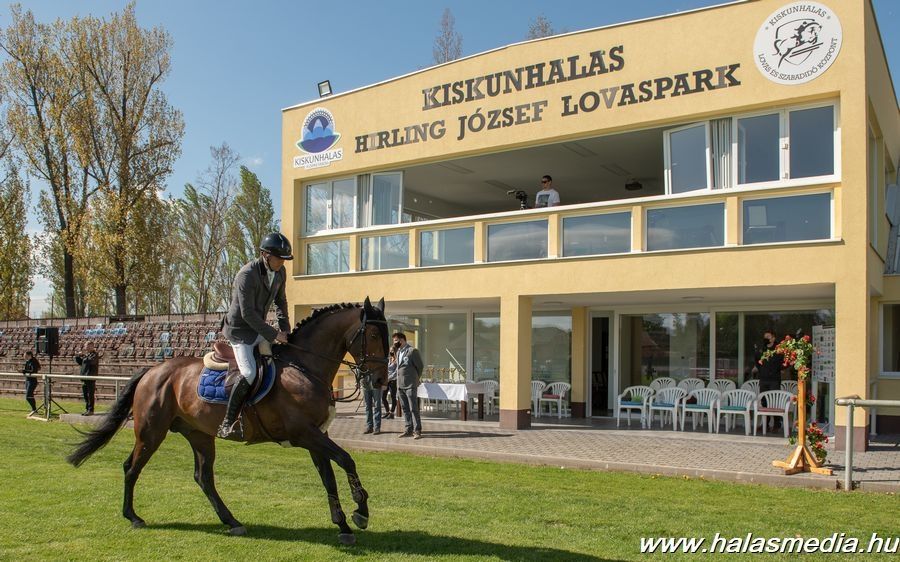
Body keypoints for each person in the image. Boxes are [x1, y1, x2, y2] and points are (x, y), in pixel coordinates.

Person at [217, 232, 293, 438]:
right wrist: (275, 334)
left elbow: (281, 302)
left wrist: (286, 330)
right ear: (265, 255)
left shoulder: (280, 272)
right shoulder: (246, 274)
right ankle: (227, 423)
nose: (282, 263)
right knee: (249, 373)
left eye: (285, 259)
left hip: (258, 328)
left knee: (279, 360)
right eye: (279, 258)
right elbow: (247, 314)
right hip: (239, 331)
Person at [394, 332, 424, 439]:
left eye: (396, 341)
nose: (394, 343)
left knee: (413, 409)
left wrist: (416, 378)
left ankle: (417, 431)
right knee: (405, 409)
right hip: (400, 385)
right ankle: (408, 429)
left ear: (402, 340)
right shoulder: (398, 352)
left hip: (410, 384)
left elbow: (420, 366)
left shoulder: (412, 351)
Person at [752, 329, 785, 429]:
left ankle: (776, 423)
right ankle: (765, 424)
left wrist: (777, 369)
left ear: (773, 338)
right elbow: (757, 360)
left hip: (774, 379)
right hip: (763, 378)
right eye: (765, 337)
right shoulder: (762, 349)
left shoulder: (778, 349)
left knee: (774, 401)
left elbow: (784, 362)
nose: (766, 339)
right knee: (764, 401)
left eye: (768, 337)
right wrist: (761, 370)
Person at [74, 342, 100, 415]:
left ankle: (91, 410)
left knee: (90, 394)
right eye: (85, 346)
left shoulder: (95, 355)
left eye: (87, 346)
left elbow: (91, 362)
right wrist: (77, 357)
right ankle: (87, 409)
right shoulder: (87, 355)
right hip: (85, 377)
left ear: (92, 347)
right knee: (85, 395)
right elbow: (81, 363)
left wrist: (84, 356)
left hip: (90, 377)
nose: (86, 348)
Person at [361, 368, 384, 435]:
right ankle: (369, 427)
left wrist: (384, 382)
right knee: (367, 406)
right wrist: (358, 381)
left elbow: (384, 368)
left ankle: (377, 428)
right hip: (365, 384)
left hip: (376, 383)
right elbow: (358, 367)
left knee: (377, 406)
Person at [22, 351, 41, 417]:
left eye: (25, 355)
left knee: (28, 396)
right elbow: (27, 370)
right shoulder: (27, 361)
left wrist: (24, 371)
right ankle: (34, 410)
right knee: (30, 396)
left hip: (32, 381)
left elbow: (33, 371)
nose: (24, 357)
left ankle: (34, 409)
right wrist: (23, 371)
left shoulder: (33, 361)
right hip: (28, 380)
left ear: (29, 355)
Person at [381, 346, 398, 419]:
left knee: (393, 397)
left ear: (395, 351)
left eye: (392, 351)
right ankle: (387, 411)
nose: (391, 352)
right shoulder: (389, 359)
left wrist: (389, 378)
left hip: (393, 381)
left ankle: (392, 413)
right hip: (386, 380)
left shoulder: (397, 360)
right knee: (383, 397)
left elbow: (396, 372)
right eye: (390, 351)